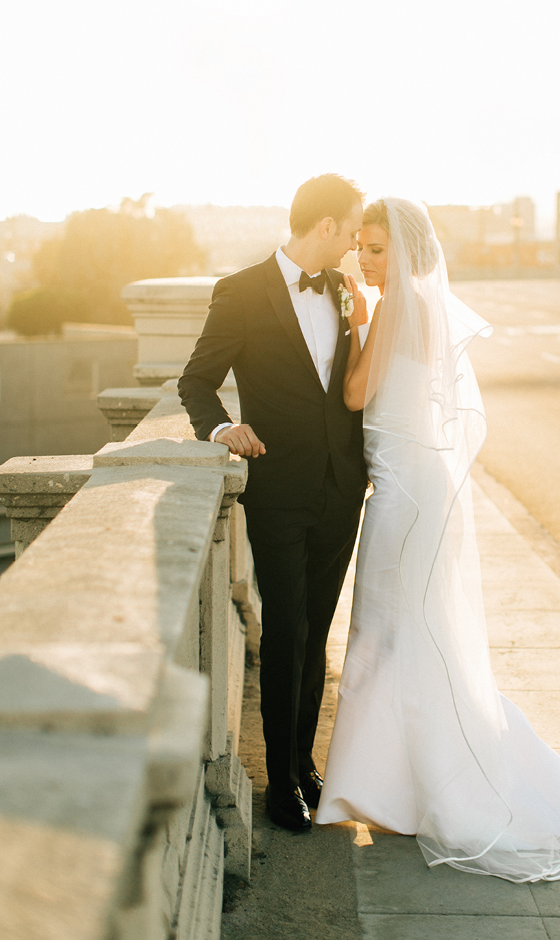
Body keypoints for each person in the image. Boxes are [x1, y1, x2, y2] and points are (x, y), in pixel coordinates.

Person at [315, 197, 560, 881]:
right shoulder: (426, 304)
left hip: (406, 496)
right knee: (408, 639)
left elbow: (353, 394)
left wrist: (361, 316)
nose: (363, 260)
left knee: (391, 638)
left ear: (402, 253)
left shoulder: (398, 306)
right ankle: (391, 787)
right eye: (361, 248)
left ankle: (409, 790)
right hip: (415, 485)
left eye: (376, 250)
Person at [178, 174, 369, 833]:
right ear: (323, 227)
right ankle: (280, 784)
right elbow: (196, 381)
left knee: (317, 631)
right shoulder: (240, 292)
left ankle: (305, 760)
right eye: (349, 232)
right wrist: (222, 427)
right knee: (285, 629)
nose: (352, 245)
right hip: (279, 489)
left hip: (343, 488)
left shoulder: (345, 291)